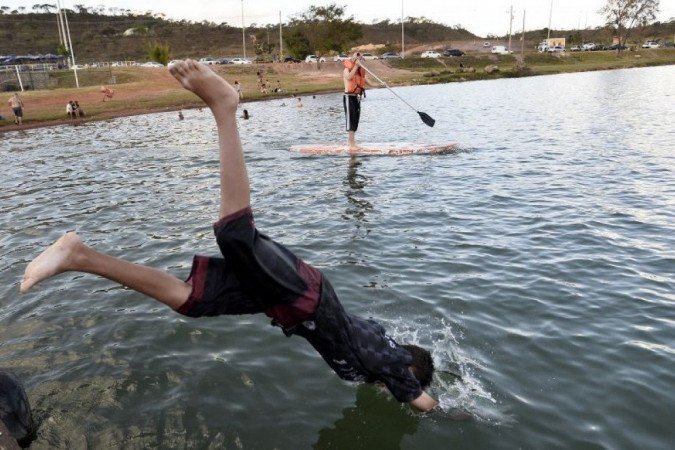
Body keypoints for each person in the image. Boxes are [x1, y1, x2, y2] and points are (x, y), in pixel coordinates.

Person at [19, 60, 438, 412]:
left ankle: (79, 256)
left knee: (191, 300)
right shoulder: (391, 365)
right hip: (304, 297)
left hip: (285, 306)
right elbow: (424, 404)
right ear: (406, 374)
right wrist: (454, 412)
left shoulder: (382, 347)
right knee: (235, 234)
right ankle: (224, 106)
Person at [342, 53, 379, 148]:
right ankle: (351, 143)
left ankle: (352, 142)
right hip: (348, 97)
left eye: (361, 60)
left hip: (356, 98)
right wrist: (356, 66)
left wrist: (381, 84)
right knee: (350, 121)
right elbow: (349, 77)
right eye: (359, 60)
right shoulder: (347, 69)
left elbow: (370, 83)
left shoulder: (361, 72)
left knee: (355, 121)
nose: (360, 61)